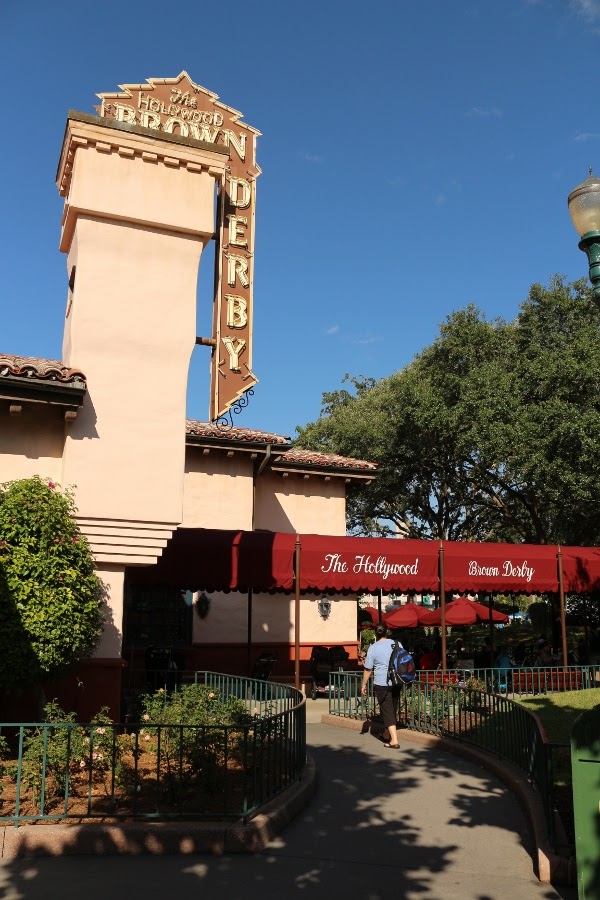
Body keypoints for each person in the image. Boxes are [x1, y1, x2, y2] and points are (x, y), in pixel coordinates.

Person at [361, 623, 401, 749]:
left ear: (375, 633)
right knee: (392, 708)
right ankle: (386, 734)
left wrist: (363, 684)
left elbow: (368, 669)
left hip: (382, 682)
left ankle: (394, 740)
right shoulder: (397, 644)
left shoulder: (373, 648)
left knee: (387, 710)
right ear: (387, 631)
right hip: (396, 681)